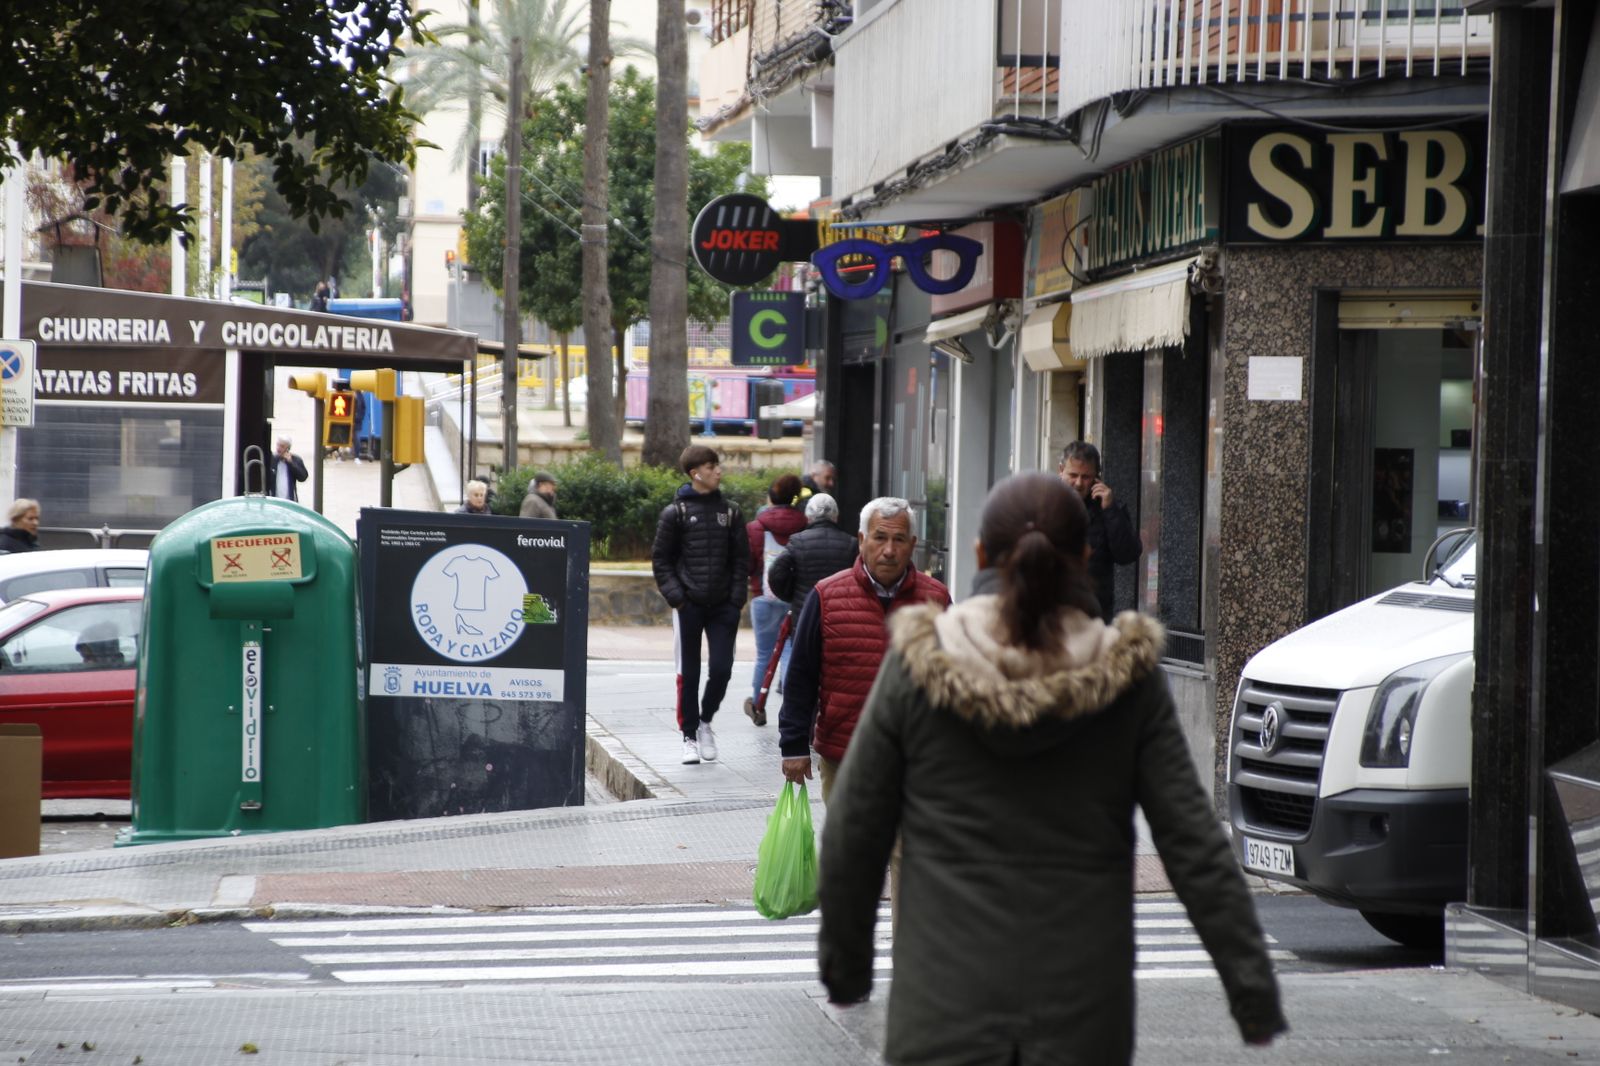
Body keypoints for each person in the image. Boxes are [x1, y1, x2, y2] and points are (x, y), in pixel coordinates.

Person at [816, 472, 1286, 1063]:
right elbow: (1193, 843)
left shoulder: (919, 666)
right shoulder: (1127, 681)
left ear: (981, 556)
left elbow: (855, 830)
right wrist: (1251, 990)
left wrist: (847, 969)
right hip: (1083, 1013)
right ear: (1085, 558)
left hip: (941, 1008)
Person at [778, 497, 948, 800]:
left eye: (899, 540)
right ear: (861, 540)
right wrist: (793, 745)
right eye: (880, 538)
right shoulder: (826, 596)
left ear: (912, 544)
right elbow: (801, 674)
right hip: (845, 754)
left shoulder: (937, 600)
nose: (889, 550)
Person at [651, 445, 748, 765]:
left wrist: (735, 601)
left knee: (721, 668)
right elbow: (661, 560)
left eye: (718, 465)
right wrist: (678, 598)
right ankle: (689, 736)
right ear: (696, 473)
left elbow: (740, 560)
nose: (718, 470)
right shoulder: (674, 513)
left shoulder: (731, 512)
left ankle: (706, 721)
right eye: (711, 466)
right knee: (688, 673)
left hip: (723, 607)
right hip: (688, 605)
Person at [743, 473, 808, 725]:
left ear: (770, 497)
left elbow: (748, 564)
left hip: (763, 596)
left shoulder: (756, 528)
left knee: (764, 655)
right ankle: (791, 708)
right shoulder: (804, 525)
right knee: (790, 651)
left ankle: (758, 705)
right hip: (796, 599)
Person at [1058, 440, 1141, 622]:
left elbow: (1127, 554)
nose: (1079, 483)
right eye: (1073, 475)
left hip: (1094, 614)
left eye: (1086, 477)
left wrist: (1110, 510)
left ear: (1097, 477)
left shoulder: (1108, 508)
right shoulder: (1044, 502)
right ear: (1061, 471)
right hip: (1052, 613)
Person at [267, 437, 308, 502]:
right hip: (274, 500)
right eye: (278, 445)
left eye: (282, 446)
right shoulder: (272, 459)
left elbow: (303, 477)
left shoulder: (295, 459)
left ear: (288, 448)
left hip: (290, 500)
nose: (278, 448)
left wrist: (291, 463)